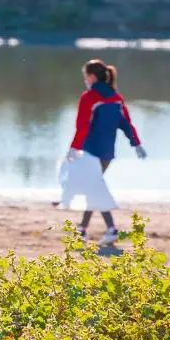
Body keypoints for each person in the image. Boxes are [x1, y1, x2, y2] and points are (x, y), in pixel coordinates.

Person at [68, 59, 147, 246]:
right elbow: (125, 123)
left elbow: (82, 125)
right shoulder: (116, 97)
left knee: (93, 187)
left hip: (89, 151)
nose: (85, 80)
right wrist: (136, 143)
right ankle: (82, 229)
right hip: (107, 153)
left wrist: (74, 147)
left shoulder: (89, 97)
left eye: (86, 76)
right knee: (93, 186)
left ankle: (110, 229)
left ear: (92, 76)